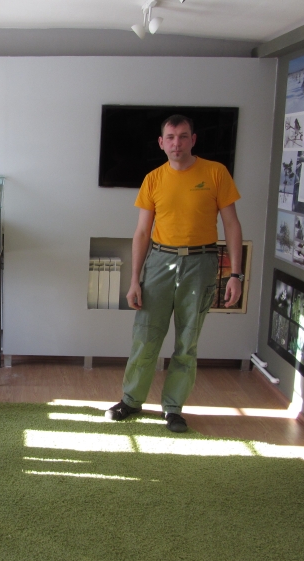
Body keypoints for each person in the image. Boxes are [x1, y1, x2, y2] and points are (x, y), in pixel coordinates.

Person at [105, 115, 243, 433]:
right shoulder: (153, 179)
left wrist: (236, 275)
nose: (176, 143)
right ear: (161, 143)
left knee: (187, 340)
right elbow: (142, 232)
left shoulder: (216, 173)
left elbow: (232, 225)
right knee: (145, 336)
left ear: (193, 139)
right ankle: (131, 400)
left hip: (201, 263)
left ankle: (173, 408)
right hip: (159, 262)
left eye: (182, 136)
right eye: (170, 137)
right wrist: (134, 280)